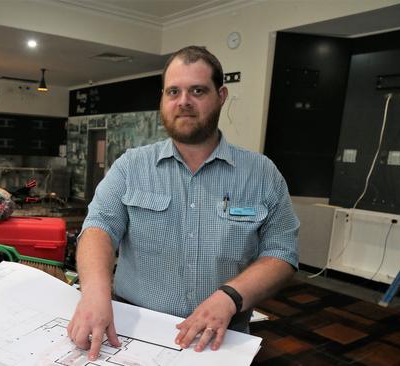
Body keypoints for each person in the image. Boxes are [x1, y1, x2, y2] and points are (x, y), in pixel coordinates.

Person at [67, 45, 299, 361]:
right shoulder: (131, 167)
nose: (184, 102)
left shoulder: (262, 174)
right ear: (163, 99)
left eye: (197, 91)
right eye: (173, 91)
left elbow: (281, 253)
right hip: (134, 333)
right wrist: (94, 293)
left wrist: (230, 297)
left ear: (221, 95)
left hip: (220, 339)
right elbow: (99, 228)